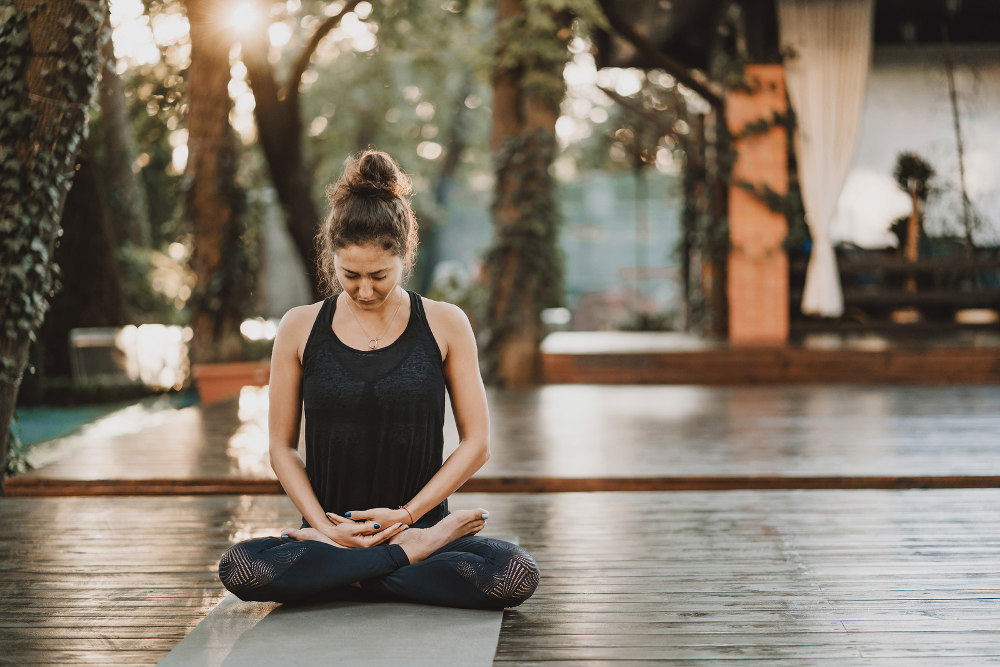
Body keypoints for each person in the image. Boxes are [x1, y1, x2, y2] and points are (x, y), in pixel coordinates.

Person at [217, 150, 539, 610]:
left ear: (405, 255)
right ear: (332, 259)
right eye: (351, 276)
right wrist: (325, 529)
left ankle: (357, 572)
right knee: (241, 567)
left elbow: (477, 444)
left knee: (514, 575)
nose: (365, 290)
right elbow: (282, 448)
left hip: (421, 525)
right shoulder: (298, 326)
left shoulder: (446, 323)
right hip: (329, 535)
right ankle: (402, 560)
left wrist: (411, 518)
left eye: (379, 276)